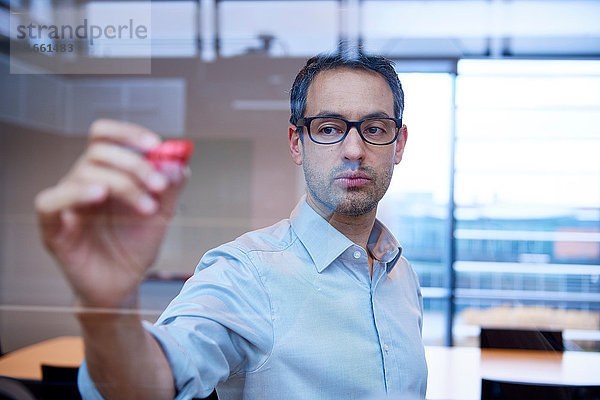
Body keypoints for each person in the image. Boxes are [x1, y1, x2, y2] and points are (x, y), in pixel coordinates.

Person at [35, 51, 428, 400]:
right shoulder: (246, 274)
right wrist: (108, 310)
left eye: (375, 129)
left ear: (399, 144)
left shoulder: (401, 275)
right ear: (296, 142)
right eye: (328, 128)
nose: (355, 150)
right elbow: (151, 384)